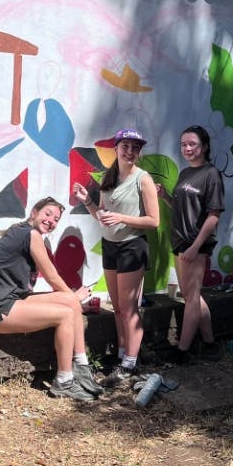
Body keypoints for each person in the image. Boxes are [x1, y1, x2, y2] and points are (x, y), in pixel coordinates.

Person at [0, 197, 99, 401]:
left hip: (10, 301)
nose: (51, 220)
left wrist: (74, 303)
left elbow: (54, 284)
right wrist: (74, 298)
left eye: (56, 218)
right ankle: (64, 382)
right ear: (34, 212)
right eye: (47, 213)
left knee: (69, 304)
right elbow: (52, 277)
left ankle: (81, 367)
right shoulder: (30, 234)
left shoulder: (24, 232)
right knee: (67, 312)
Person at [72, 128, 159, 387]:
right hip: (110, 246)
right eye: (126, 146)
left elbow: (154, 221)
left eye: (135, 147)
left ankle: (129, 364)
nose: (130, 152)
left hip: (132, 247)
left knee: (130, 308)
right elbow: (101, 216)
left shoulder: (142, 179)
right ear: (117, 148)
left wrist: (121, 218)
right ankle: (122, 356)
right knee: (118, 307)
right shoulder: (108, 177)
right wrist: (87, 201)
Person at [160, 125, 225, 363]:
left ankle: (183, 351)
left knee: (190, 296)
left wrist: (195, 246)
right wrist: (165, 197)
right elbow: (180, 207)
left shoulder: (211, 174)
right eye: (183, 144)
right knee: (192, 295)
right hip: (179, 241)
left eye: (192, 144)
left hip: (195, 244)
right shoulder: (185, 173)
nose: (187, 148)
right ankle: (209, 344)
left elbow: (214, 214)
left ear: (204, 147)